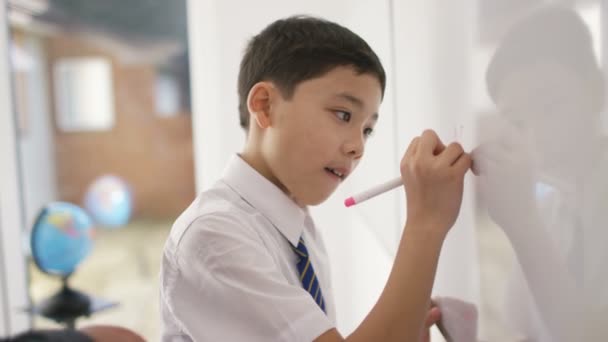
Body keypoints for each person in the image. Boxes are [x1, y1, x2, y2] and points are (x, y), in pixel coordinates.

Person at [160, 15, 471, 342]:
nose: (357, 147)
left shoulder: (298, 228)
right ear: (265, 106)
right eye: (343, 115)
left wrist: (401, 326)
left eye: (367, 129)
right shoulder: (214, 235)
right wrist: (425, 223)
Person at [475, 5, 608, 341]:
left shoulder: (533, 216)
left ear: (596, 90)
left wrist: (523, 225)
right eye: (518, 121)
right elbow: (525, 330)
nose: (537, 136)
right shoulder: (550, 207)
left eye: (549, 106)